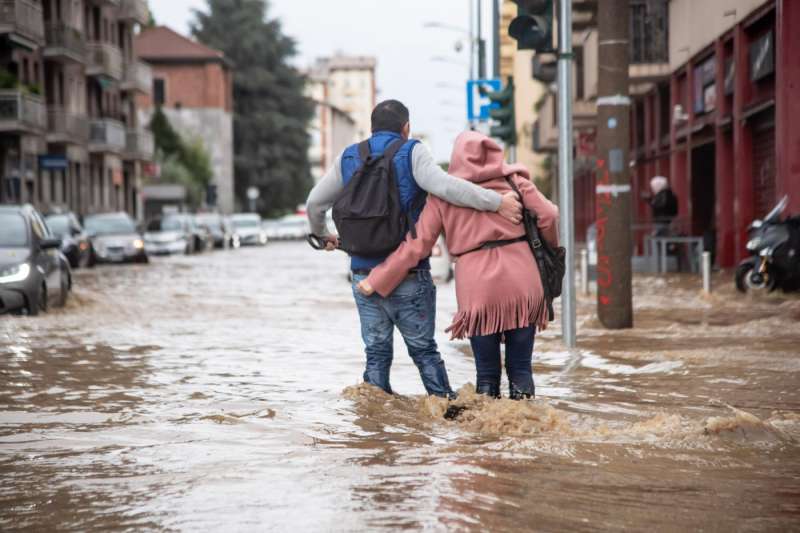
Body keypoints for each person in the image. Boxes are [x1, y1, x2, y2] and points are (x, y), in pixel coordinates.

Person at [305, 100, 523, 399]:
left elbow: (315, 203)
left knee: (376, 354)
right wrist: (497, 202)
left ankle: (375, 429)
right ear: (405, 127)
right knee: (424, 351)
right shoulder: (412, 151)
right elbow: (446, 187)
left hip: (362, 275)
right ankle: (445, 411)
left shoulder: (349, 156)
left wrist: (324, 235)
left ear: (372, 128)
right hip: (409, 274)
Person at [357, 131, 559, 400]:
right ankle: (524, 432)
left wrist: (377, 280)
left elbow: (417, 246)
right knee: (521, 369)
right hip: (523, 280)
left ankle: (487, 436)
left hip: (478, 287)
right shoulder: (514, 182)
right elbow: (549, 215)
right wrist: (550, 249)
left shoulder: (443, 196)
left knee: (486, 375)